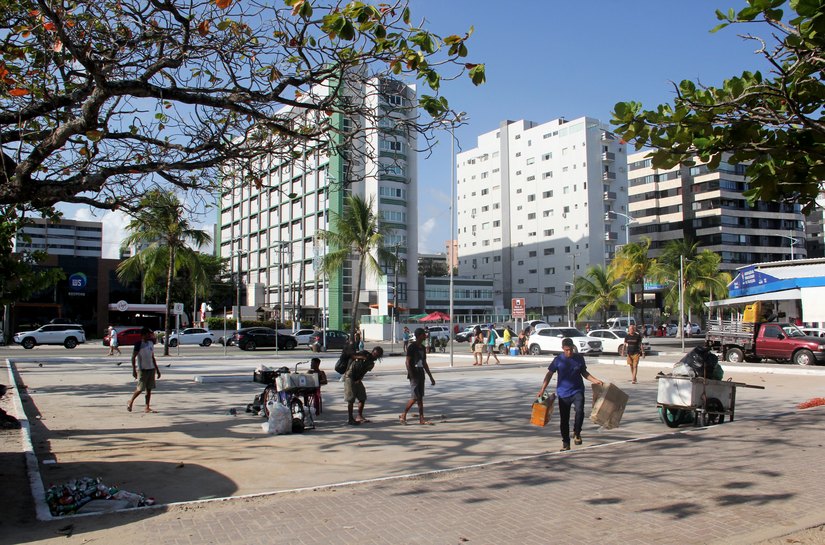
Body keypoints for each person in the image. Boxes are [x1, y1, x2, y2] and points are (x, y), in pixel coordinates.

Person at [536, 338, 604, 451]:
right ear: (563, 349)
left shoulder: (579, 358)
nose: (569, 352)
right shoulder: (558, 360)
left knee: (579, 411)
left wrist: (595, 380)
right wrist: (543, 389)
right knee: (564, 419)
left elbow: (584, 372)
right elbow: (549, 374)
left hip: (577, 390)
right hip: (563, 394)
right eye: (567, 350)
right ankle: (566, 443)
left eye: (571, 349)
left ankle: (577, 433)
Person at [400, 328, 436, 425]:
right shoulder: (412, 347)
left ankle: (421, 418)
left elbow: (424, 363)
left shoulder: (423, 348)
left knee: (420, 398)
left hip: (421, 373)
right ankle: (403, 414)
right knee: (415, 397)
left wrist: (430, 376)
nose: (425, 336)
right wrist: (411, 374)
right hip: (414, 374)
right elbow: (407, 361)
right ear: (419, 335)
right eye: (424, 334)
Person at [344, 346, 383, 425]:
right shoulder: (364, 353)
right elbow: (352, 356)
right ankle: (350, 419)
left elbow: (364, 371)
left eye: (378, 356)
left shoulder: (371, 363)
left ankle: (359, 416)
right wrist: (362, 357)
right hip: (349, 376)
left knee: (362, 397)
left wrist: (359, 379)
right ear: (372, 352)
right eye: (375, 354)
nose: (375, 357)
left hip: (357, 379)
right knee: (350, 399)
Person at [127, 326, 161, 413]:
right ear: (143, 335)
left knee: (149, 389)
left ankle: (147, 407)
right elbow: (133, 357)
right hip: (143, 369)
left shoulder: (150, 343)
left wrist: (157, 369)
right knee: (140, 388)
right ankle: (131, 401)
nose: (149, 336)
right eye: (148, 334)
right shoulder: (138, 344)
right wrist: (134, 369)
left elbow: (152, 357)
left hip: (151, 368)